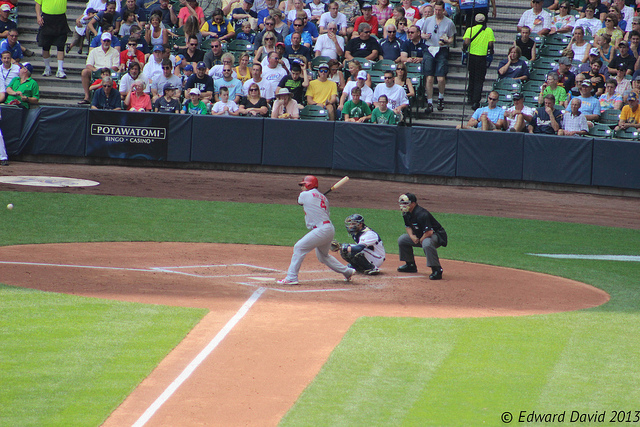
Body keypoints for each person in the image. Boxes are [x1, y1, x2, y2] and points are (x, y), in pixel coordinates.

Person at [277, 175, 356, 285]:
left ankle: (291, 277)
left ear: (309, 184)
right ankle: (347, 272)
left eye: (303, 185)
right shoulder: (324, 198)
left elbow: (299, 202)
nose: (302, 187)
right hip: (329, 229)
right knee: (323, 256)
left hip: (321, 229)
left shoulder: (304, 195)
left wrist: (312, 199)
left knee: (299, 247)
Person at [396, 192, 447, 280]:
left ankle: (437, 269)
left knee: (426, 243)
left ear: (413, 203)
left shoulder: (422, 214)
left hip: (436, 235)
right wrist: (412, 236)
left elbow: (429, 232)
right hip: (421, 234)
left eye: (406, 203)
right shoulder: (406, 212)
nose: (403, 205)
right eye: (402, 203)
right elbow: (408, 226)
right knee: (402, 239)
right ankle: (410, 265)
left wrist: (421, 239)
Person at [420, 0, 455, 113]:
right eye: (436, 10)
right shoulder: (428, 20)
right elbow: (422, 33)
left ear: (443, 10)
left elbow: (451, 38)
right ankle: (430, 102)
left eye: (439, 10)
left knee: (440, 77)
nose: (437, 12)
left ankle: (440, 97)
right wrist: (424, 36)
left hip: (441, 49)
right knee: (429, 77)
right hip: (429, 47)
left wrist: (446, 41)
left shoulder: (449, 22)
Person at [463, 13, 494, 110]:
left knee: (471, 76)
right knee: (479, 79)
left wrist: (464, 49)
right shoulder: (488, 30)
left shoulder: (470, 29)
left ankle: (470, 96)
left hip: (471, 56)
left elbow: (466, 42)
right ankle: (476, 101)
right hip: (482, 57)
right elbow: (490, 44)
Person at [79, 32, 119, 104]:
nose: (106, 42)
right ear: (101, 40)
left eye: (108, 41)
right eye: (104, 41)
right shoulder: (94, 51)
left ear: (110, 41)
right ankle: (87, 96)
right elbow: (88, 65)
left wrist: (106, 72)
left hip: (109, 72)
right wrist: (97, 71)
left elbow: (115, 66)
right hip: (96, 71)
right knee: (85, 72)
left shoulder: (115, 52)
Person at [35, 0, 70, 79]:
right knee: (45, 45)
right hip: (47, 18)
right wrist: (38, 16)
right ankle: (47, 68)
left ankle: (60, 69)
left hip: (60, 18)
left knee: (61, 45)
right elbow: (37, 4)